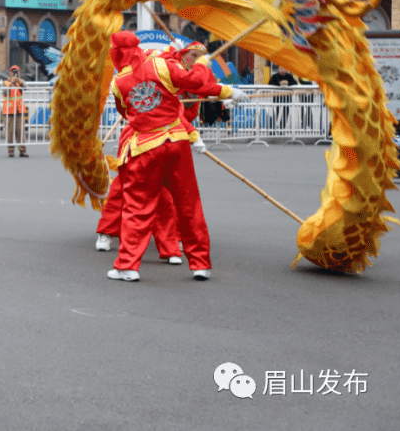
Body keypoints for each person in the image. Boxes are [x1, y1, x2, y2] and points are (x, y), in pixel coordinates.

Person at [106, 32, 248, 282]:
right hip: (176, 142)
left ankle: (127, 265)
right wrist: (218, 82)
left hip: (145, 147)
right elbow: (192, 82)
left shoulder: (118, 82)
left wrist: (223, 91)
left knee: (138, 208)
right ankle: (201, 264)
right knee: (188, 203)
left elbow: (126, 112)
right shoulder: (161, 63)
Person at [2, 64, 28, 157]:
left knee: (20, 131)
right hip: (8, 111)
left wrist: (20, 82)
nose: (14, 73)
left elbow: (26, 88)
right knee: (10, 132)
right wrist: (11, 84)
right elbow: (5, 92)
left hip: (19, 111)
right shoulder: (5, 82)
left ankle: (22, 150)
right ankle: (11, 150)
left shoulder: (20, 82)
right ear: (10, 73)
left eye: (16, 71)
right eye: (13, 71)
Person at [268, 65, 297, 130]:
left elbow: (295, 83)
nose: (283, 69)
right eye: (281, 68)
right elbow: (270, 84)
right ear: (278, 69)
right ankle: (271, 129)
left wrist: (288, 83)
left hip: (287, 98)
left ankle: (282, 128)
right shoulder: (274, 76)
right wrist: (279, 84)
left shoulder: (289, 76)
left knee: (285, 113)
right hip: (277, 98)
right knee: (275, 113)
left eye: (284, 68)